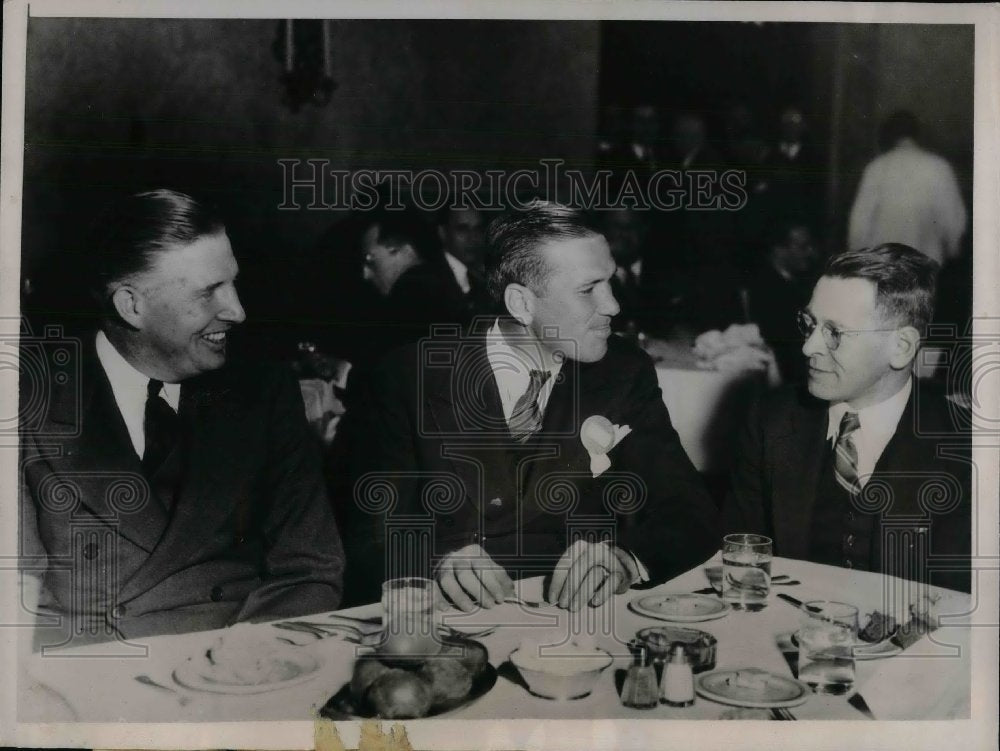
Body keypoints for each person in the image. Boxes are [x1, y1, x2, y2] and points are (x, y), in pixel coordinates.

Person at [345, 202, 719, 610]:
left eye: (610, 282)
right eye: (588, 289)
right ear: (521, 303)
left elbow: (690, 512)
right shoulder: (411, 375)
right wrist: (436, 563)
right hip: (448, 617)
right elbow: (369, 535)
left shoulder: (624, 371)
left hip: (573, 618)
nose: (613, 305)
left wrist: (625, 560)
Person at [19, 189, 345, 646]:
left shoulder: (262, 393)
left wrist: (241, 661)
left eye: (232, 283)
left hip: (243, 658)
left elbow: (309, 569)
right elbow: (20, 606)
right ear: (132, 306)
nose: (237, 311)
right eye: (209, 291)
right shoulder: (25, 403)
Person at [725, 244, 971, 592]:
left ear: (901, 347)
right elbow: (739, 559)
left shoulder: (965, 446)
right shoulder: (771, 420)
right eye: (809, 324)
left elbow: (959, 599)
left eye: (834, 333)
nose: (808, 347)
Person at [848, 110, 967, 265]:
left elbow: (860, 219)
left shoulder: (877, 167)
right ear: (917, 134)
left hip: (884, 262)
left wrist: (857, 253)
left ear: (889, 135)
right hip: (925, 260)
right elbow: (952, 216)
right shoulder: (938, 166)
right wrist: (953, 246)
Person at [359, 207, 467, 359]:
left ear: (397, 249)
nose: (366, 274)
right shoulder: (441, 286)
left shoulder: (410, 295)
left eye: (370, 260)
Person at [746, 216, 821, 383]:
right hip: (790, 372)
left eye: (811, 246)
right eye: (803, 247)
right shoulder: (766, 286)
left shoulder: (796, 282)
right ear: (779, 250)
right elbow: (781, 339)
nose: (810, 253)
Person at [437, 206, 494, 321]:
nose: (473, 238)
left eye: (478, 229)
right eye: (462, 229)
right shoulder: (422, 281)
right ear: (443, 233)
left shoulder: (481, 279)